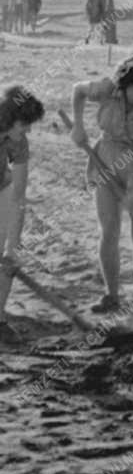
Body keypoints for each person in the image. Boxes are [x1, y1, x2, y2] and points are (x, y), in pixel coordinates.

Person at [70, 53, 133, 316]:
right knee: (109, 230)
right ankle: (111, 295)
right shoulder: (107, 90)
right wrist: (78, 127)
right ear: (132, 77)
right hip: (104, 161)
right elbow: (77, 90)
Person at [0, 86, 46, 341]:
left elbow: (18, 195)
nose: (28, 130)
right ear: (11, 119)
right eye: (25, 125)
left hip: (2, 188)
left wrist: (11, 249)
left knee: (7, 259)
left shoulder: (19, 142)